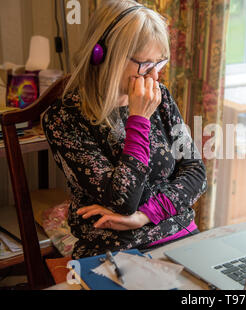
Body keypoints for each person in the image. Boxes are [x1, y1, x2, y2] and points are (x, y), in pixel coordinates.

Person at [42, 0, 207, 259]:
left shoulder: (160, 96)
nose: (153, 78)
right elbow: (122, 201)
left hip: (179, 235)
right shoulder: (64, 119)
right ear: (103, 55)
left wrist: (145, 215)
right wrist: (139, 119)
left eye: (159, 65)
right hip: (117, 251)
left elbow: (196, 172)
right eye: (145, 65)